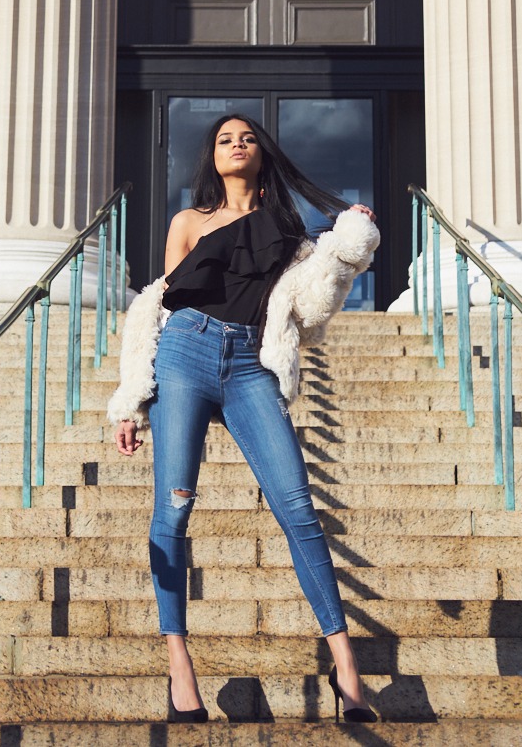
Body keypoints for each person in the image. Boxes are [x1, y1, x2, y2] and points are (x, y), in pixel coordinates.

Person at [108, 111, 380, 725]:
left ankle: (345, 667)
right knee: (173, 508)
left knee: (299, 508)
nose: (236, 145)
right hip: (184, 352)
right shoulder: (188, 222)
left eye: (247, 138)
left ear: (263, 154)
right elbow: (155, 307)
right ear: (214, 156)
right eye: (225, 139)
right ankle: (180, 666)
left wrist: (345, 248)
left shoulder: (290, 232)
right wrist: (132, 398)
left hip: (250, 363)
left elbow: (311, 315)